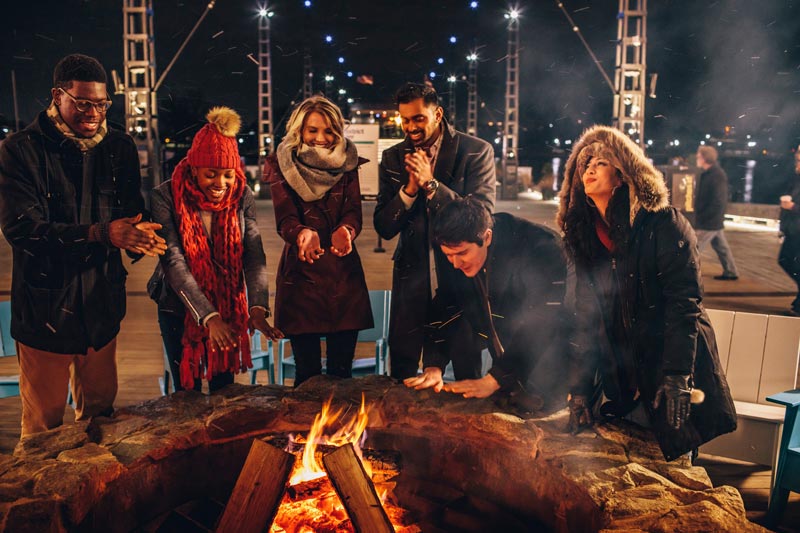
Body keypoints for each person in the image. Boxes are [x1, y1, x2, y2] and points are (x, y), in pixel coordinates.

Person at [0, 54, 167, 436]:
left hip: (101, 312)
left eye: (101, 103)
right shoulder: (20, 149)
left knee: (100, 424)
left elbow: (130, 209)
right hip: (45, 315)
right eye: (83, 103)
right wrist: (103, 233)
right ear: (57, 96)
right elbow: (23, 230)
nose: (94, 112)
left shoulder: (119, 146)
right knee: (43, 432)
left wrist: (142, 237)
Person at [557, 125, 737, 462]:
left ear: (622, 174)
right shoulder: (584, 236)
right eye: (584, 164)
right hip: (622, 374)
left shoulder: (663, 224)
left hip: (665, 367)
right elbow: (585, 316)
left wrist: (677, 376)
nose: (589, 168)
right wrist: (580, 388)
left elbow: (684, 306)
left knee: (674, 463)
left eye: (600, 162)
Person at [149, 106, 282, 392]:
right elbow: (173, 259)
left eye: (228, 175)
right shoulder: (165, 196)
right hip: (178, 306)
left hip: (228, 303)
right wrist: (209, 318)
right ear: (194, 168)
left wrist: (257, 308)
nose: (220, 184)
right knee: (188, 394)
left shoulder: (241, 194)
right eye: (211, 174)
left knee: (225, 392)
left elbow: (253, 253)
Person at [374, 82, 496, 380]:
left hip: (460, 275)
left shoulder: (476, 152)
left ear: (438, 114)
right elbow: (384, 226)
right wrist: (408, 191)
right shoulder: (392, 158)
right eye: (404, 119)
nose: (410, 127)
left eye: (418, 118)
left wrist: (431, 185)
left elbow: (481, 216)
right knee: (402, 374)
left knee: (467, 371)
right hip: (411, 278)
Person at [404, 197, 570, 408]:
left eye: (462, 253)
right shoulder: (455, 250)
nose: (455, 263)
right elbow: (447, 304)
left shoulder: (540, 247)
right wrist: (433, 365)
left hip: (552, 362)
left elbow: (542, 322)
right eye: (448, 255)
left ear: (487, 237)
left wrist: (495, 378)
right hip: (508, 362)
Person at [264, 96, 372, 386]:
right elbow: (284, 218)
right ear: (299, 130)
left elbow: (353, 212)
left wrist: (347, 231)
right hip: (301, 277)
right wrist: (302, 233)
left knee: (342, 374)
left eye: (328, 131)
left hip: (342, 274)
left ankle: (344, 432)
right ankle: (303, 432)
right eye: (312, 130)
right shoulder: (280, 163)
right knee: (306, 374)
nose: (320, 138)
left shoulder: (348, 163)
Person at [694, 146, 739, 280]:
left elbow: (718, 200)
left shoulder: (716, 175)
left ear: (704, 158)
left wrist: (704, 217)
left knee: (692, 249)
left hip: (709, 221)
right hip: (713, 220)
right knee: (721, 247)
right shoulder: (710, 173)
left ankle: (681, 276)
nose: (696, 158)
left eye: (698, 156)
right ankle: (731, 272)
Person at [778, 146, 800, 314]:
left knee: (789, 261)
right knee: (787, 260)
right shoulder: (796, 178)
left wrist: (793, 206)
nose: (797, 155)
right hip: (793, 229)